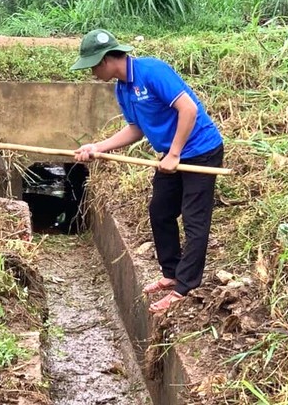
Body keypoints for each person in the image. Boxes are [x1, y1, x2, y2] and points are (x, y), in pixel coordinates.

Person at [71, 29, 224, 313]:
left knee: (194, 219)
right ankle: (172, 272)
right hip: (172, 155)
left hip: (200, 151)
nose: (91, 73)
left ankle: (185, 286)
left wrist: (175, 152)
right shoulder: (122, 88)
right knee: (160, 211)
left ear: (105, 60)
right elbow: (136, 128)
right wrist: (100, 147)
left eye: (92, 66)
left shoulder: (152, 71)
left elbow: (188, 109)